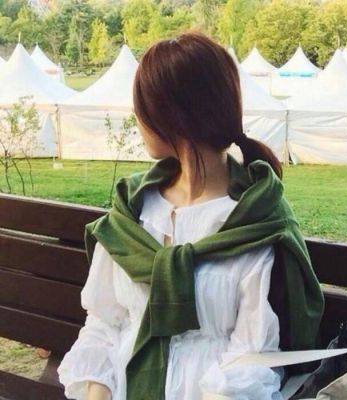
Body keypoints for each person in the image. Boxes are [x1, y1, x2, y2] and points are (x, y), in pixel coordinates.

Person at [58, 32, 324, 400]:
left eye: (142, 107)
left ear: (171, 115)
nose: (138, 118)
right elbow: (105, 323)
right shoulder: (133, 212)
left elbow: (251, 358)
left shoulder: (254, 220)